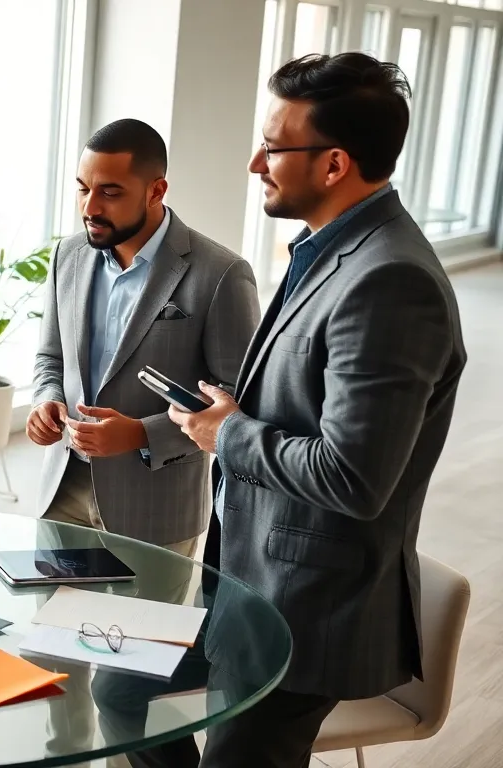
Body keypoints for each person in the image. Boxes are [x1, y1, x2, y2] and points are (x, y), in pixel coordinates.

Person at [169, 53, 466, 768]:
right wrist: (240, 412)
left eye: (272, 147)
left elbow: (354, 478)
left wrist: (229, 433)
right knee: (116, 690)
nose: (253, 163)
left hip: (308, 612)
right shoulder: (330, 250)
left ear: (334, 165)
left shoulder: (391, 281)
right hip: (252, 581)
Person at [27, 118, 260, 560]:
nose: (90, 206)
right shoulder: (68, 254)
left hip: (155, 506)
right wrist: (46, 400)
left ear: (156, 191)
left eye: (110, 192)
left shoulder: (222, 273)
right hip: (62, 491)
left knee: (146, 631)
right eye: (83, 188)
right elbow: (50, 357)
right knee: (49, 627)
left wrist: (140, 434)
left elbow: (238, 398)